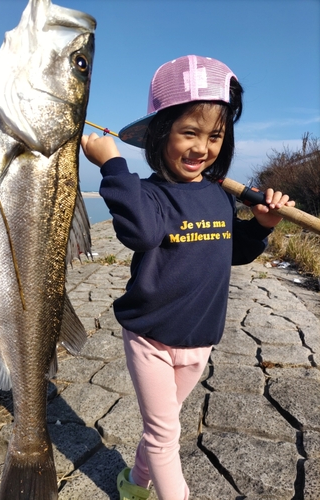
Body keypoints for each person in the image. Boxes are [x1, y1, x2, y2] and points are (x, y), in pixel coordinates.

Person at [81, 55, 295, 500]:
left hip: (200, 340)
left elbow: (231, 251)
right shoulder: (147, 193)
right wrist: (113, 166)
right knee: (164, 436)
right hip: (151, 337)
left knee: (165, 425)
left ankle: (134, 485)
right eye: (189, 133)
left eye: (215, 136)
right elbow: (139, 232)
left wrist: (260, 227)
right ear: (160, 135)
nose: (202, 148)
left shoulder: (217, 197)